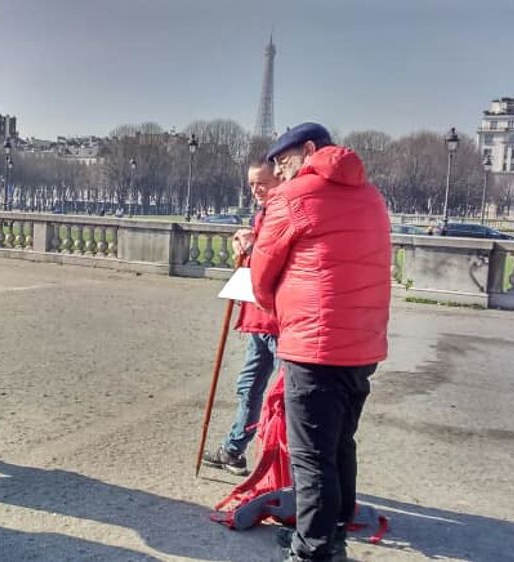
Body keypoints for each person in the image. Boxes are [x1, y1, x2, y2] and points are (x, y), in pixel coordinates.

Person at [252, 122, 391, 562]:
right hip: (362, 345)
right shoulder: (372, 195)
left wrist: (277, 304)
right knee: (340, 444)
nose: (279, 171)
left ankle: (312, 550)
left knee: (311, 456)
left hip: (314, 343)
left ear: (309, 150)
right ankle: (333, 531)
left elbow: (261, 275)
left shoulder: (294, 197)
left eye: (283, 161)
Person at [201, 156, 281, 475]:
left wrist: (252, 248)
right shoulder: (264, 213)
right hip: (258, 318)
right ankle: (235, 450)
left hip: (276, 320)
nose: (255, 190)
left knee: (284, 395)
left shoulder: (279, 212)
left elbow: (275, 261)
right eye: (251, 184)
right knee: (248, 387)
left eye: (262, 183)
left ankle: (282, 463)